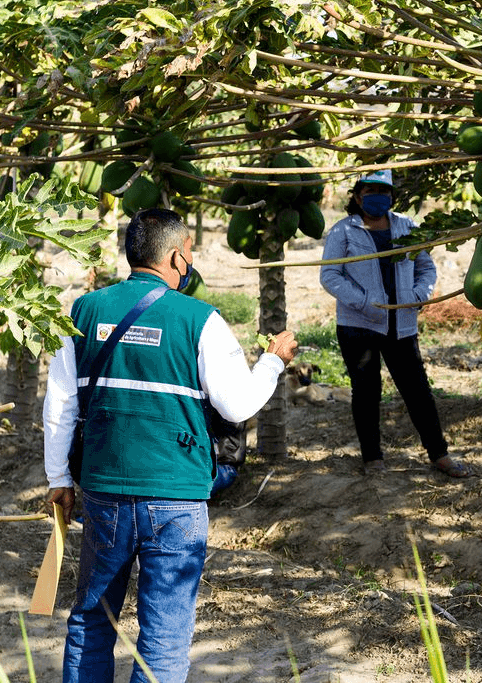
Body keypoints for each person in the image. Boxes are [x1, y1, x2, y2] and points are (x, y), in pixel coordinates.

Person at [42, 208, 298, 683]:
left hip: (105, 493)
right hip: (176, 498)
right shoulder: (200, 319)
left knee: (92, 620)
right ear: (179, 257)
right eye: (191, 255)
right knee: (164, 635)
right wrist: (272, 361)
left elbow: (59, 402)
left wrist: (59, 478)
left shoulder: (85, 311)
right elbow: (237, 405)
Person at [319, 169, 470, 478]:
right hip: (358, 326)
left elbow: (426, 267)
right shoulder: (343, 231)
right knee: (366, 392)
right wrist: (362, 301)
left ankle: (439, 454)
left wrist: (419, 294)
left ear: (392, 195)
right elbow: (329, 275)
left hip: (400, 324)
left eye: (384, 191)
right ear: (358, 195)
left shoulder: (407, 227)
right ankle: (372, 458)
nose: (379, 197)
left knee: (417, 391)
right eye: (371, 190)